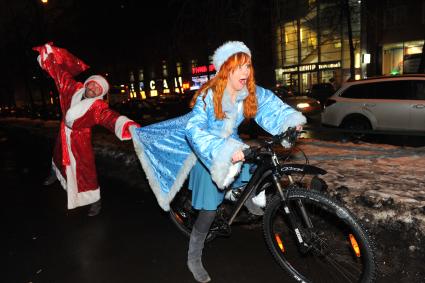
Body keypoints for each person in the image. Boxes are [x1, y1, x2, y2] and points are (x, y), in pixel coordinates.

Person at [131, 41, 306, 282]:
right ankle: (193, 257)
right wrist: (222, 151)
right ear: (225, 69)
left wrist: (290, 122)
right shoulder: (208, 95)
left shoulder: (249, 92)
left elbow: (272, 107)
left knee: (258, 168)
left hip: (233, 145)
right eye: (239, 67)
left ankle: (242, 195)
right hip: (209, 151)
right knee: (208, 212)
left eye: (248, 66)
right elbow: (194, 130)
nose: (245, 72)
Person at [34, 42, 140, 216]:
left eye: (97, 88)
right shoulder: (72, 88)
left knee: (86, 171)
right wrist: (48, 58)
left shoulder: (97, 107)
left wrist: (128, 126)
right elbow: (60, 74)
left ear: (100, 93)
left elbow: (111, 118)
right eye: (92, 84)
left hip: (80, 140)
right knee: (58, 155)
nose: (93, 88)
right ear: (87, 84)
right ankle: (54, 173)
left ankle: (95, 200)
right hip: (64, 133)